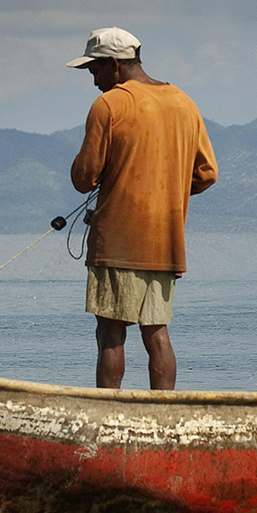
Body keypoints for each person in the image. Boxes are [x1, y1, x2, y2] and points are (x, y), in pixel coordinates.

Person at [68, 27, 218, 390]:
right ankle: (162, 417)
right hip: (166, 241)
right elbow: (207, 173)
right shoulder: (184, 102)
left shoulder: (109, 104)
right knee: (156, 332)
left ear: (115, 65)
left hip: (118, 240)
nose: (94, 81)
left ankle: (107, 415)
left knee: (110, 331)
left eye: (95, 70)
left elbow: (84, 178)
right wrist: (165, 194)